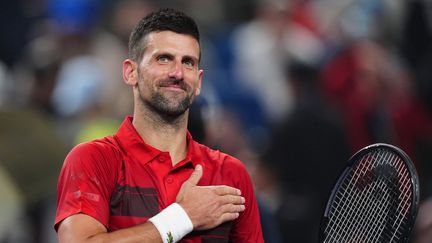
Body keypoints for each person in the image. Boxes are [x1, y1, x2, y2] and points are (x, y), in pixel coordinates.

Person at [54, 8, 264, 243]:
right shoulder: (93, 159)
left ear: (198, 82)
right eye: (163, 58)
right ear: (131, 72)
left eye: (188, 62)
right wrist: (182, 218)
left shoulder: (231, 174)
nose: (177, 73)